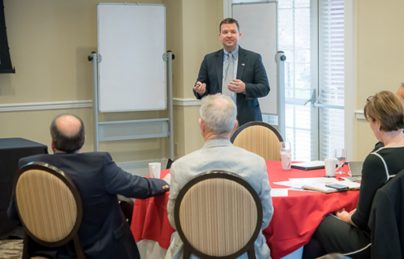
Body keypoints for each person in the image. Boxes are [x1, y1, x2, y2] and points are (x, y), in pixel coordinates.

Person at [8, 114, 169, 259]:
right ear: (83, 140)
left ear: (53, 142)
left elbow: (14, 214)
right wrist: (163, 183)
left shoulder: (28, 166)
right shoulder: (99, 164)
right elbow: (137, 187)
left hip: (46, 251)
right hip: (96, 251)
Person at [304, 91, 404, 259]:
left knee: (316, 221)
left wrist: (346, 216)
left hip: (376, 242)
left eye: (370, 121)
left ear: (377, 122)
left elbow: (360, 221)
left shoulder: (377, 160)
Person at [165, 94, 273, 259]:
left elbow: (175, 221)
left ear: (201, 126)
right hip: (246, 254)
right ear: (235, 126)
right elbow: (264, 218)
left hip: (191, 254)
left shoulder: (181, 167)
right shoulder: (256, 164)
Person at [193, 18, 270, 126]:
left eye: (233, 32)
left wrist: (245, 88)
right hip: (217, 121)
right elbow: (199, 87)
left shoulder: (254, 58)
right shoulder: (209, 59)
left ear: (239, 35)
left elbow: (265, 88)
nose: (229, 35)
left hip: (246, 120)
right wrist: (200, 90)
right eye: (225, 32)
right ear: (219, 36)